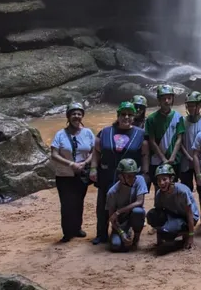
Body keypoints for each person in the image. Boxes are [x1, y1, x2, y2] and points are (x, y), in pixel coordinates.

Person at [90, 102, 149, 245]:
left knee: (130, 205)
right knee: (103, 204)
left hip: (130, 177)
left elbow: (145, 154)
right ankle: (101, 234)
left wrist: (145, 173)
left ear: (134, 117)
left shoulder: (140, 134)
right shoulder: (105, 132)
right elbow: (96, 151)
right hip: (107, 174)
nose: (126, 117)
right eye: (123, 114)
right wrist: (93, 168)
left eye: (130, 114)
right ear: (118, 116)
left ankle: (127, 229)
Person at [50, 102, 95, 242]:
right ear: (68, 116)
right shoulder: (60, 134)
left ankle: (77, 228)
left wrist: (84, 163)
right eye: (73, 113)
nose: (76, 116)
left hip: (81, 173)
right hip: (64, 175)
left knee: (79, 202)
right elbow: (54, 154)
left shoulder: (88, 133)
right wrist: (70, 164)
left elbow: (94, 151)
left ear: (82, 116)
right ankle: (67, 232)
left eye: (79, 114)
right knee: (66, 204)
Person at [147, 163, 199, 252]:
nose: (161, 183)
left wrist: (191, 236)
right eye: (159, 180)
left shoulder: (182, 192)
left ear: (171, 179)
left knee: (167, 233)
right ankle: (172, 231)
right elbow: (158, 214)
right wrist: (159, 240)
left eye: (164, 179)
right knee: (152, 215)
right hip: (173, 215)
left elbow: (189, 214)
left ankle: (186, 233)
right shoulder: (159, 193)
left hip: (188, 217)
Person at [145, 85, 185, 192]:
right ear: (159, 100)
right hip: (157, 160)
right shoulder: (151, 119)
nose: (166, 101)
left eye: (169, 98)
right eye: (163, 98)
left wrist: (172, 157)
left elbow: (179, 139)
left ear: (172, 99)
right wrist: (163, 159)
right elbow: (152, 141)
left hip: (174, 161)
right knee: (158, 189)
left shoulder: (178, 117)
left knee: (173, 188)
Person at [105, 158, 147, 252]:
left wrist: (118, 211)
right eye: (129, 176)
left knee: (138, 212)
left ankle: (136, 238)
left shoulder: (140, 180)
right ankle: (124, 232)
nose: (132, 179)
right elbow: (112, 218)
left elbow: (140, 201)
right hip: (121, 222)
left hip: (133, 215)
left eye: (134, 175)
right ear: (120, 176)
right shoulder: (112, 192)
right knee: (116, 246)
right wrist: (121, 233)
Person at [180, 91, 201, 199]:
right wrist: (189, 157)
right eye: (189, 105)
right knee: (186, 190)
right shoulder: (183, 121)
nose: (190, 108)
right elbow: (180, 142)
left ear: (199, 106)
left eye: (193, 105)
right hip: (186, 160)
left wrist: (197, 158)